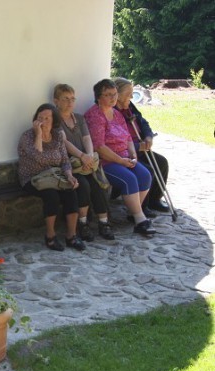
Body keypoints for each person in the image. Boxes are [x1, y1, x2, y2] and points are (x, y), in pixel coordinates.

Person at [84, 79, 156, 235]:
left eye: (115, 94)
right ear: (98, 97)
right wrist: (121, 161)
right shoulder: (95, 116)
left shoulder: (116, 113)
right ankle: (140, 220)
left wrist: (133, 156)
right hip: (106, 161)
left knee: (145, 175)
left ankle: (134, 212)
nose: (113, 98)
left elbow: (128, 137)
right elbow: (99, 147)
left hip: (124, 157)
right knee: (129, 179)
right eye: (108, 95)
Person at [18, 103, 85, 251]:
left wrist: (69, 175)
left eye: (47, 118)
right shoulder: (27, 136)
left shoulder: (58, 136)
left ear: (54, 120)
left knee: (71, 192)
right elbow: (38, 157)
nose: (43, 121)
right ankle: (50, 236)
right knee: (51, 195)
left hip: (54, 176)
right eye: (40, 118)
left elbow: (65, 160)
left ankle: (71, 236)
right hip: (33, 178)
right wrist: (39, 135)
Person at [53, 84, 115, 241]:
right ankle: (82, 223)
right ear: (56, 101)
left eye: (72, 99)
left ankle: (103, 222)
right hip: (69, 165)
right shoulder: (55, 121)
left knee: (97, 184)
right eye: (65, 99)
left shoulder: (79, 118)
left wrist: (89, 156)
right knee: (83, 185)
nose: (70, 102)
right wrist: (82, 156)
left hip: (86, 163)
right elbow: (64, 142)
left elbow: (87, 138)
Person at [113, 77, 170, 213]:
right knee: (148, 170)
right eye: (128, 94)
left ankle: (155, 200)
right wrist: (138, 147)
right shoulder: (113, 112)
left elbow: (143, 122)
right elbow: (117, 141)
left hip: (140, 147)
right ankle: (141, 207)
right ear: (118, 95)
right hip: (126, 152)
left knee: (162, 162)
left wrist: (148, 136)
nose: (131, 97)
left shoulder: (129, 106)